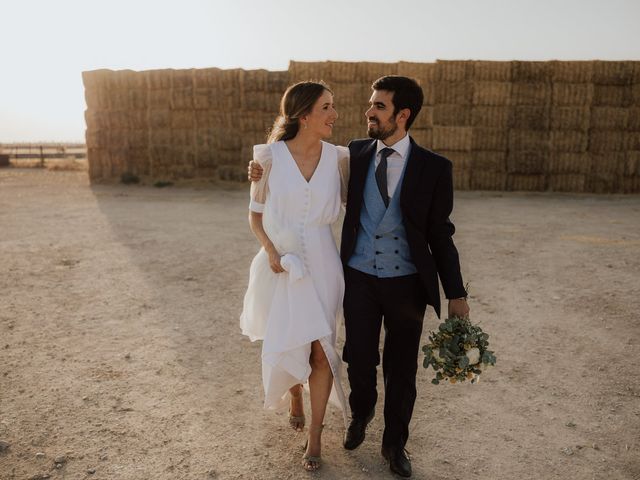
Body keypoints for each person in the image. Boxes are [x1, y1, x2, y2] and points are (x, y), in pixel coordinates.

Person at [250, 75, 469, 478]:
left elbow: (441, 233)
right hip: (358, 279)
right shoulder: (355, 153)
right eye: (371, 104)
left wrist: (456, 293)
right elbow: (298, 176)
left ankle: (394, 446)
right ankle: (361, 412)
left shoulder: (436, 169)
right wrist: (261, 171)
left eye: (379, 106)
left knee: (401, 369)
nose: (367, 111)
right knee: (359, 360)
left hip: (407, 283)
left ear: (402, 115)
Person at [239, 81, 349, 472]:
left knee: (321, 350)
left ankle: (316, 434)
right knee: (291, 340)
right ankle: (295, 396)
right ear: (305, 115)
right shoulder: (267, 158)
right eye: (327, 107)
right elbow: (254, 216)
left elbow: (358, 207)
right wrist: (271, 251)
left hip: (324, 266)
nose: (335, 114)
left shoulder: (341, 159)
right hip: (281, 264)